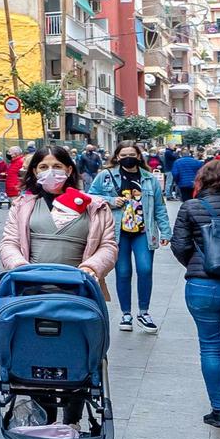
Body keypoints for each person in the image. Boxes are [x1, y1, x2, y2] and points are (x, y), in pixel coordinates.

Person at [169, 159, 220, 430]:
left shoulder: (192, 206)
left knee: (210, 347)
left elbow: (180, 246)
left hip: (203, 285)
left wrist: (198, 265)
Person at [0, 143, 118, 284]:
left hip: (80, 286)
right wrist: (19, 267)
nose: (51, 172)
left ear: (68, 170)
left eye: (57, 166)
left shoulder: (95, 207)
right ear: (35, 172)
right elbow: (9, 242)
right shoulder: (21, 206)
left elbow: (108, 245)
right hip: (31, 285)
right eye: (43, 167)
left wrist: (91, 267)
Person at [88, 142, 168, 333]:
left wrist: (165, 231)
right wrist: (111, 201)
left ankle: (143, 312)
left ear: (139, 156)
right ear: (117, 157)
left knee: (145, 269)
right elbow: (90, 197)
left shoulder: (149, 179)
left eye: (131, 154)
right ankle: (126, 313)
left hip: (143, 231)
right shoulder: (106, 176)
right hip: (117, 233)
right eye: (123, 155)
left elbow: (159, 206)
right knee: (123, 272)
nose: (127, 158)